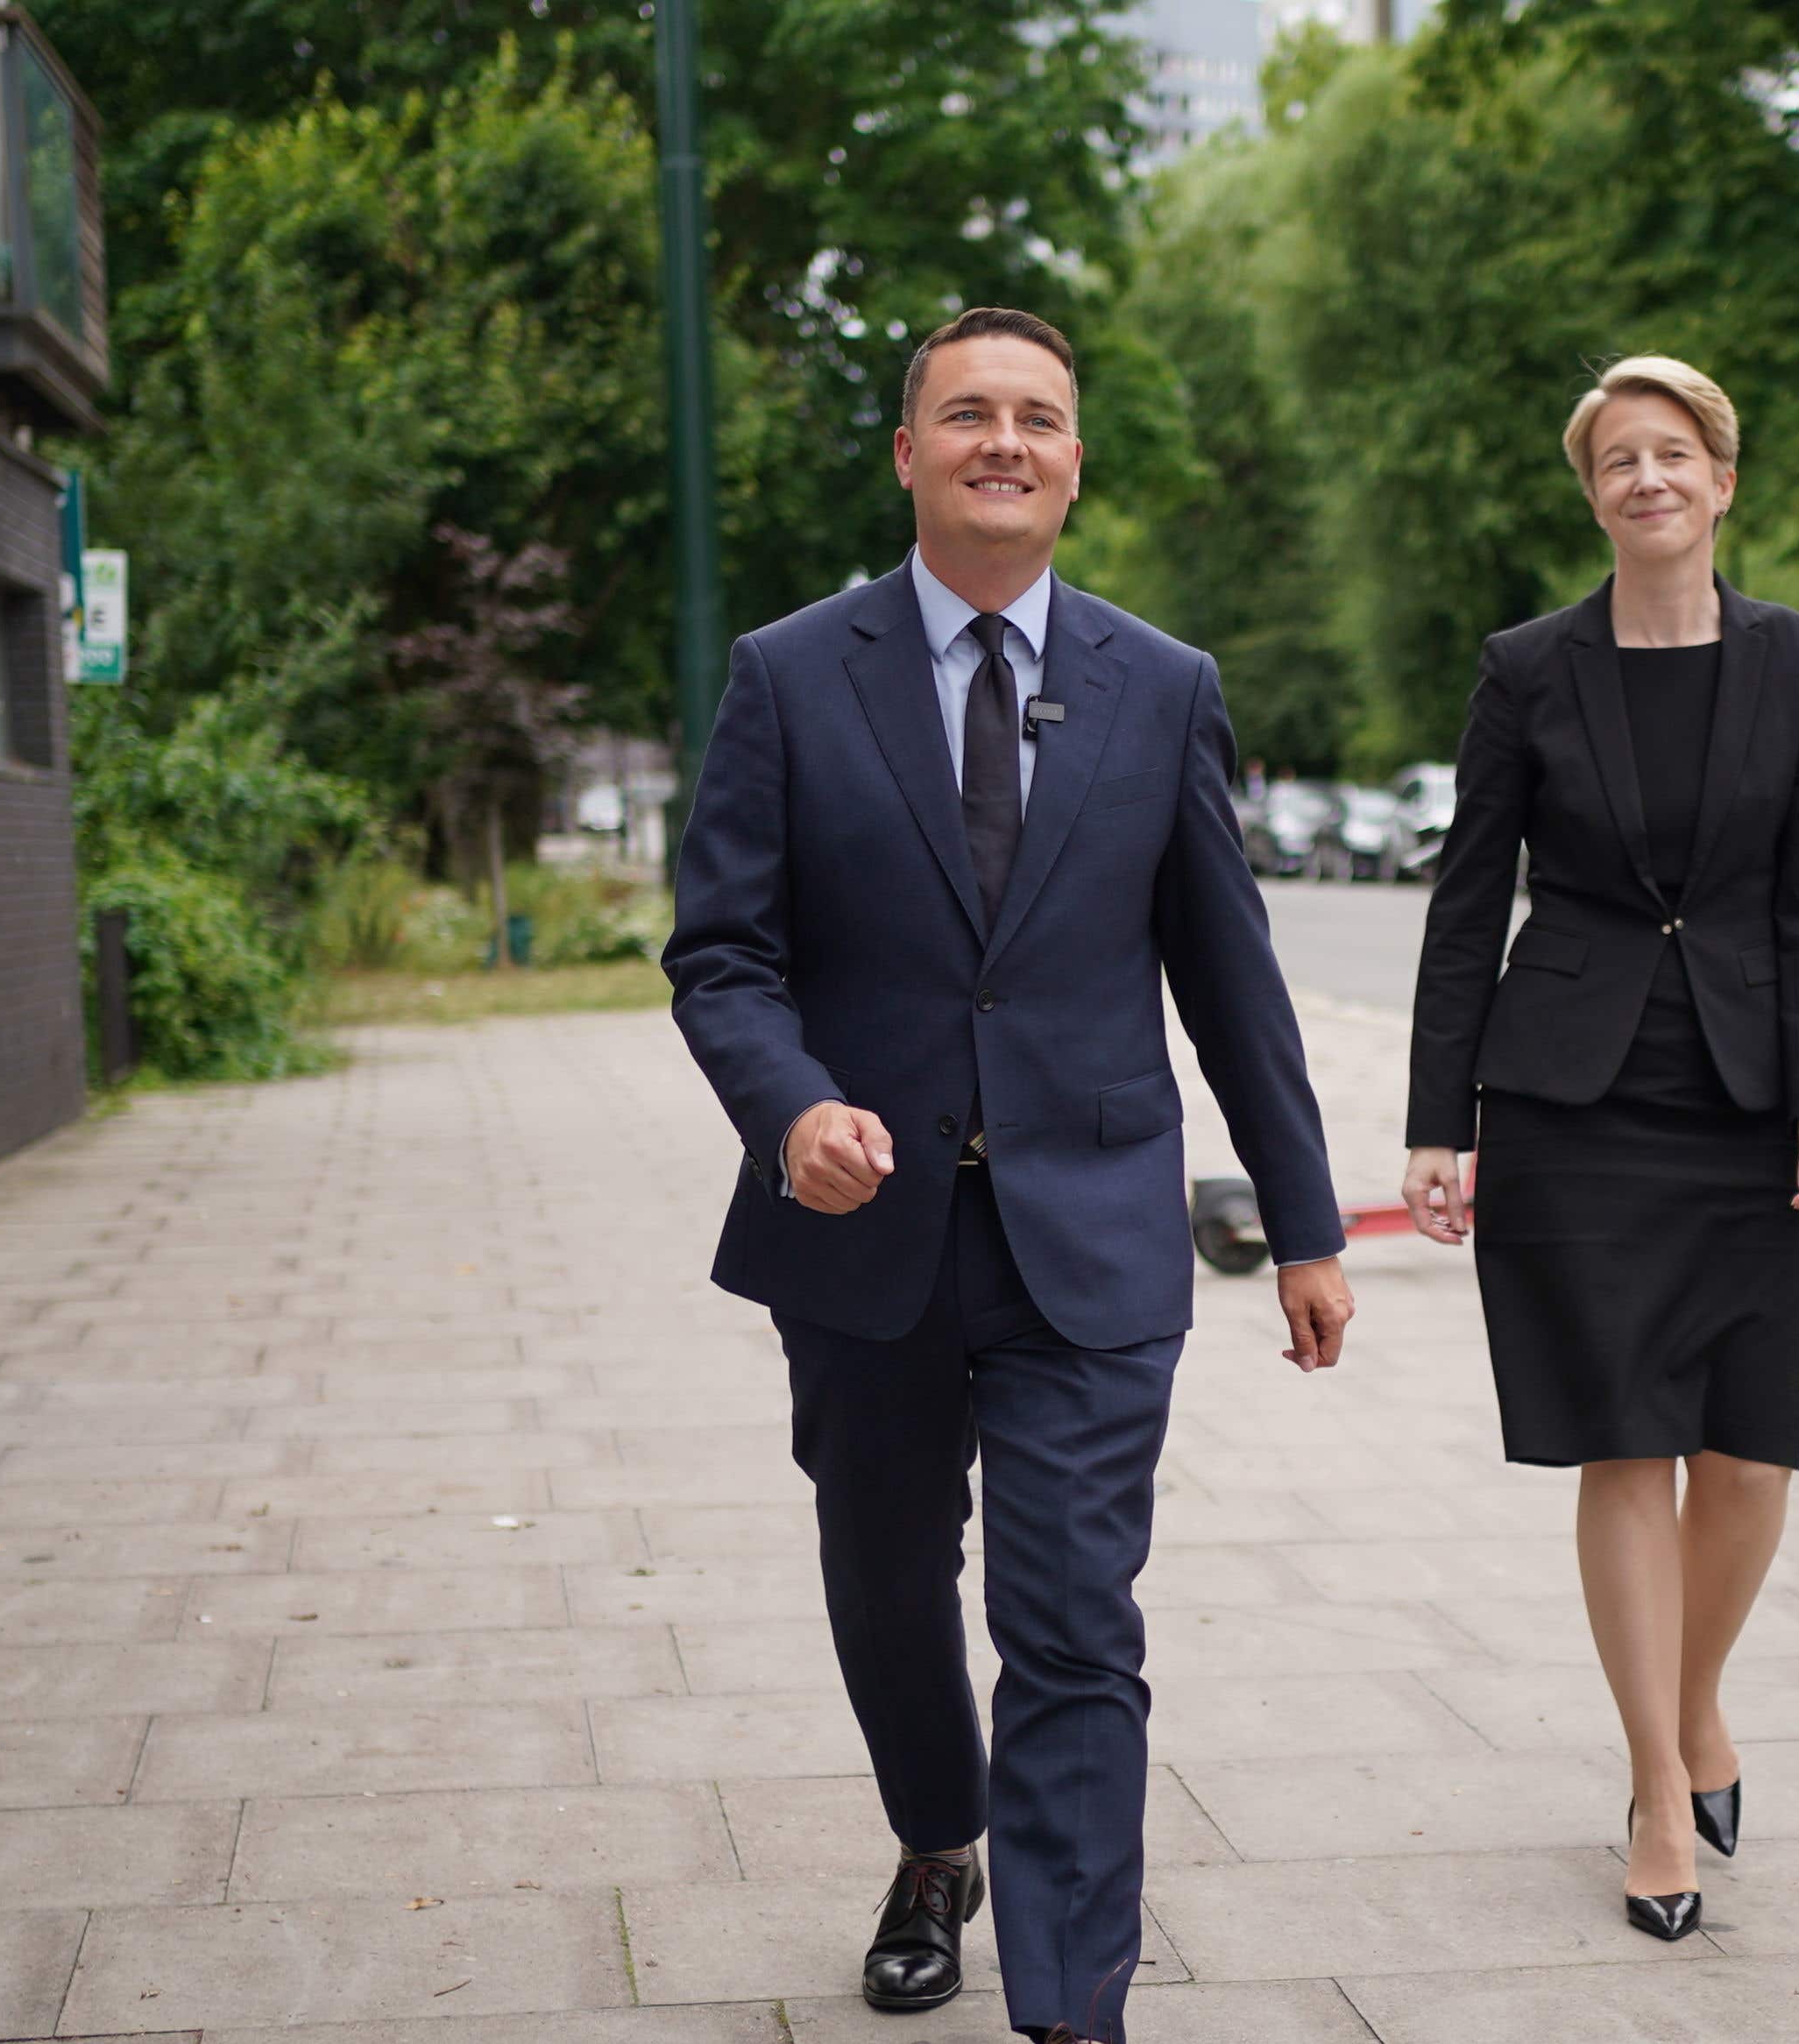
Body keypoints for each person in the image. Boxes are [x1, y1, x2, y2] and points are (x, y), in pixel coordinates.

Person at [664, 306, 1355, 2044]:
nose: (1004, 441)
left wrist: (1305, 1223)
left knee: (1069, 1619)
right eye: (966, 414)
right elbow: (722, 952)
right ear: (907, 454)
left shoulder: (1163, 683)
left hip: (1092, 1233)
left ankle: (1070, 2004)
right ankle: (933, 1836)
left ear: (1072, 460)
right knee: (887, 1575)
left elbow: (1231, 974)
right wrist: (789, 1103)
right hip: (862, 1232)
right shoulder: (786, 672)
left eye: (1038, 417)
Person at [1401, 355, 1799, 1940]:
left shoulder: (1797, 659)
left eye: (1675, 453)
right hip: (1571, 1101)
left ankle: (1697, 1702)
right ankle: (1658, 1788)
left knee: (1748, 1449)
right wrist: (1434, 1121)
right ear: (1592, 490)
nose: (1649, 478)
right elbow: (1470, 901)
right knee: (1625, 1435)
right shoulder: (1529, 667)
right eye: (1620, 459)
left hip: (1743, 1095)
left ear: (1722, 481)